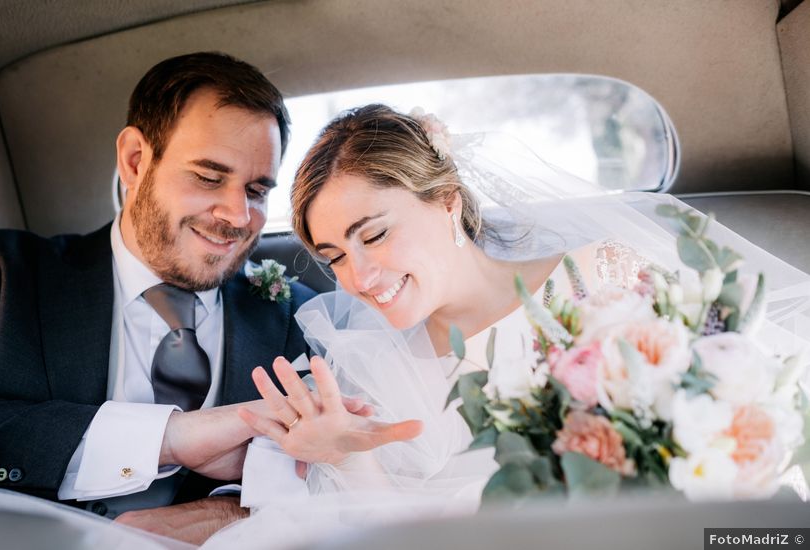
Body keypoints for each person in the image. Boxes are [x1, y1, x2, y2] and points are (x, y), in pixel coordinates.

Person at [206, 104, 810, 548]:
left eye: (375, 235)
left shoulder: (602, 280)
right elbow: (399, 536)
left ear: (446, 201)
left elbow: (738, 420)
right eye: (335, 257)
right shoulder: (374, 366)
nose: (359, 278)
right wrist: (347, 457)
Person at [0, 52, 403, 545]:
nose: (238, 217)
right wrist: (168, 437)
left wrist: (234, 514)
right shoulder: (9, 273)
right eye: (208, 177)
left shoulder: (292, 314)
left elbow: (339, 470)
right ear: (134, 160)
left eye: (257, 191)